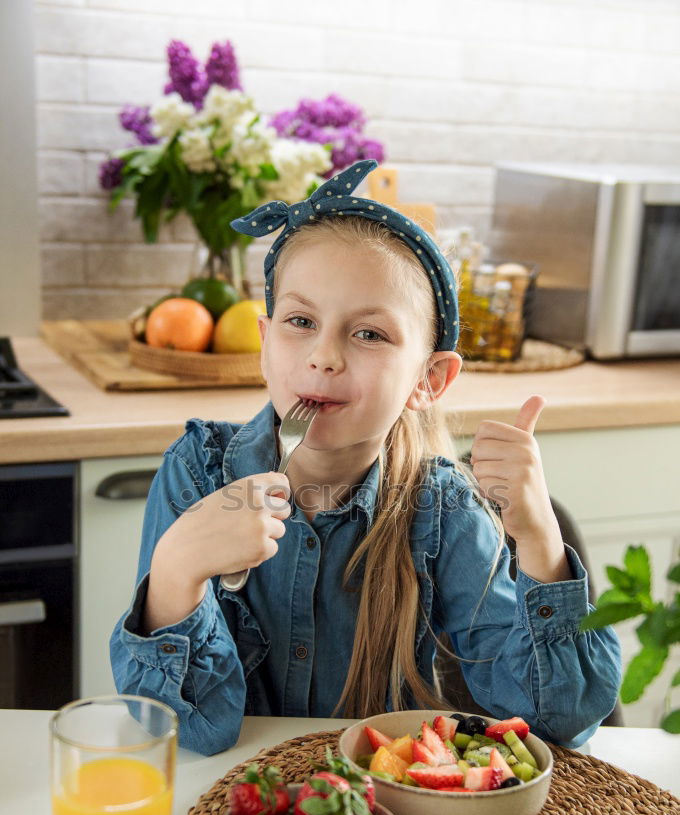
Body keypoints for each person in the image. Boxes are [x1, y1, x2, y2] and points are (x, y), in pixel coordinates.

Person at [110, 159, 621, 756]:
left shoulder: (443, 511)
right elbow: (190, 732)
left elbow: (557, 722)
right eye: (301, 321)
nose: (324, 356)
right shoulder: (196, 472)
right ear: (265, 342)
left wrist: (538, 541)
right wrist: (176, 575)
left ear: (428, 380)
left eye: (369, 334)